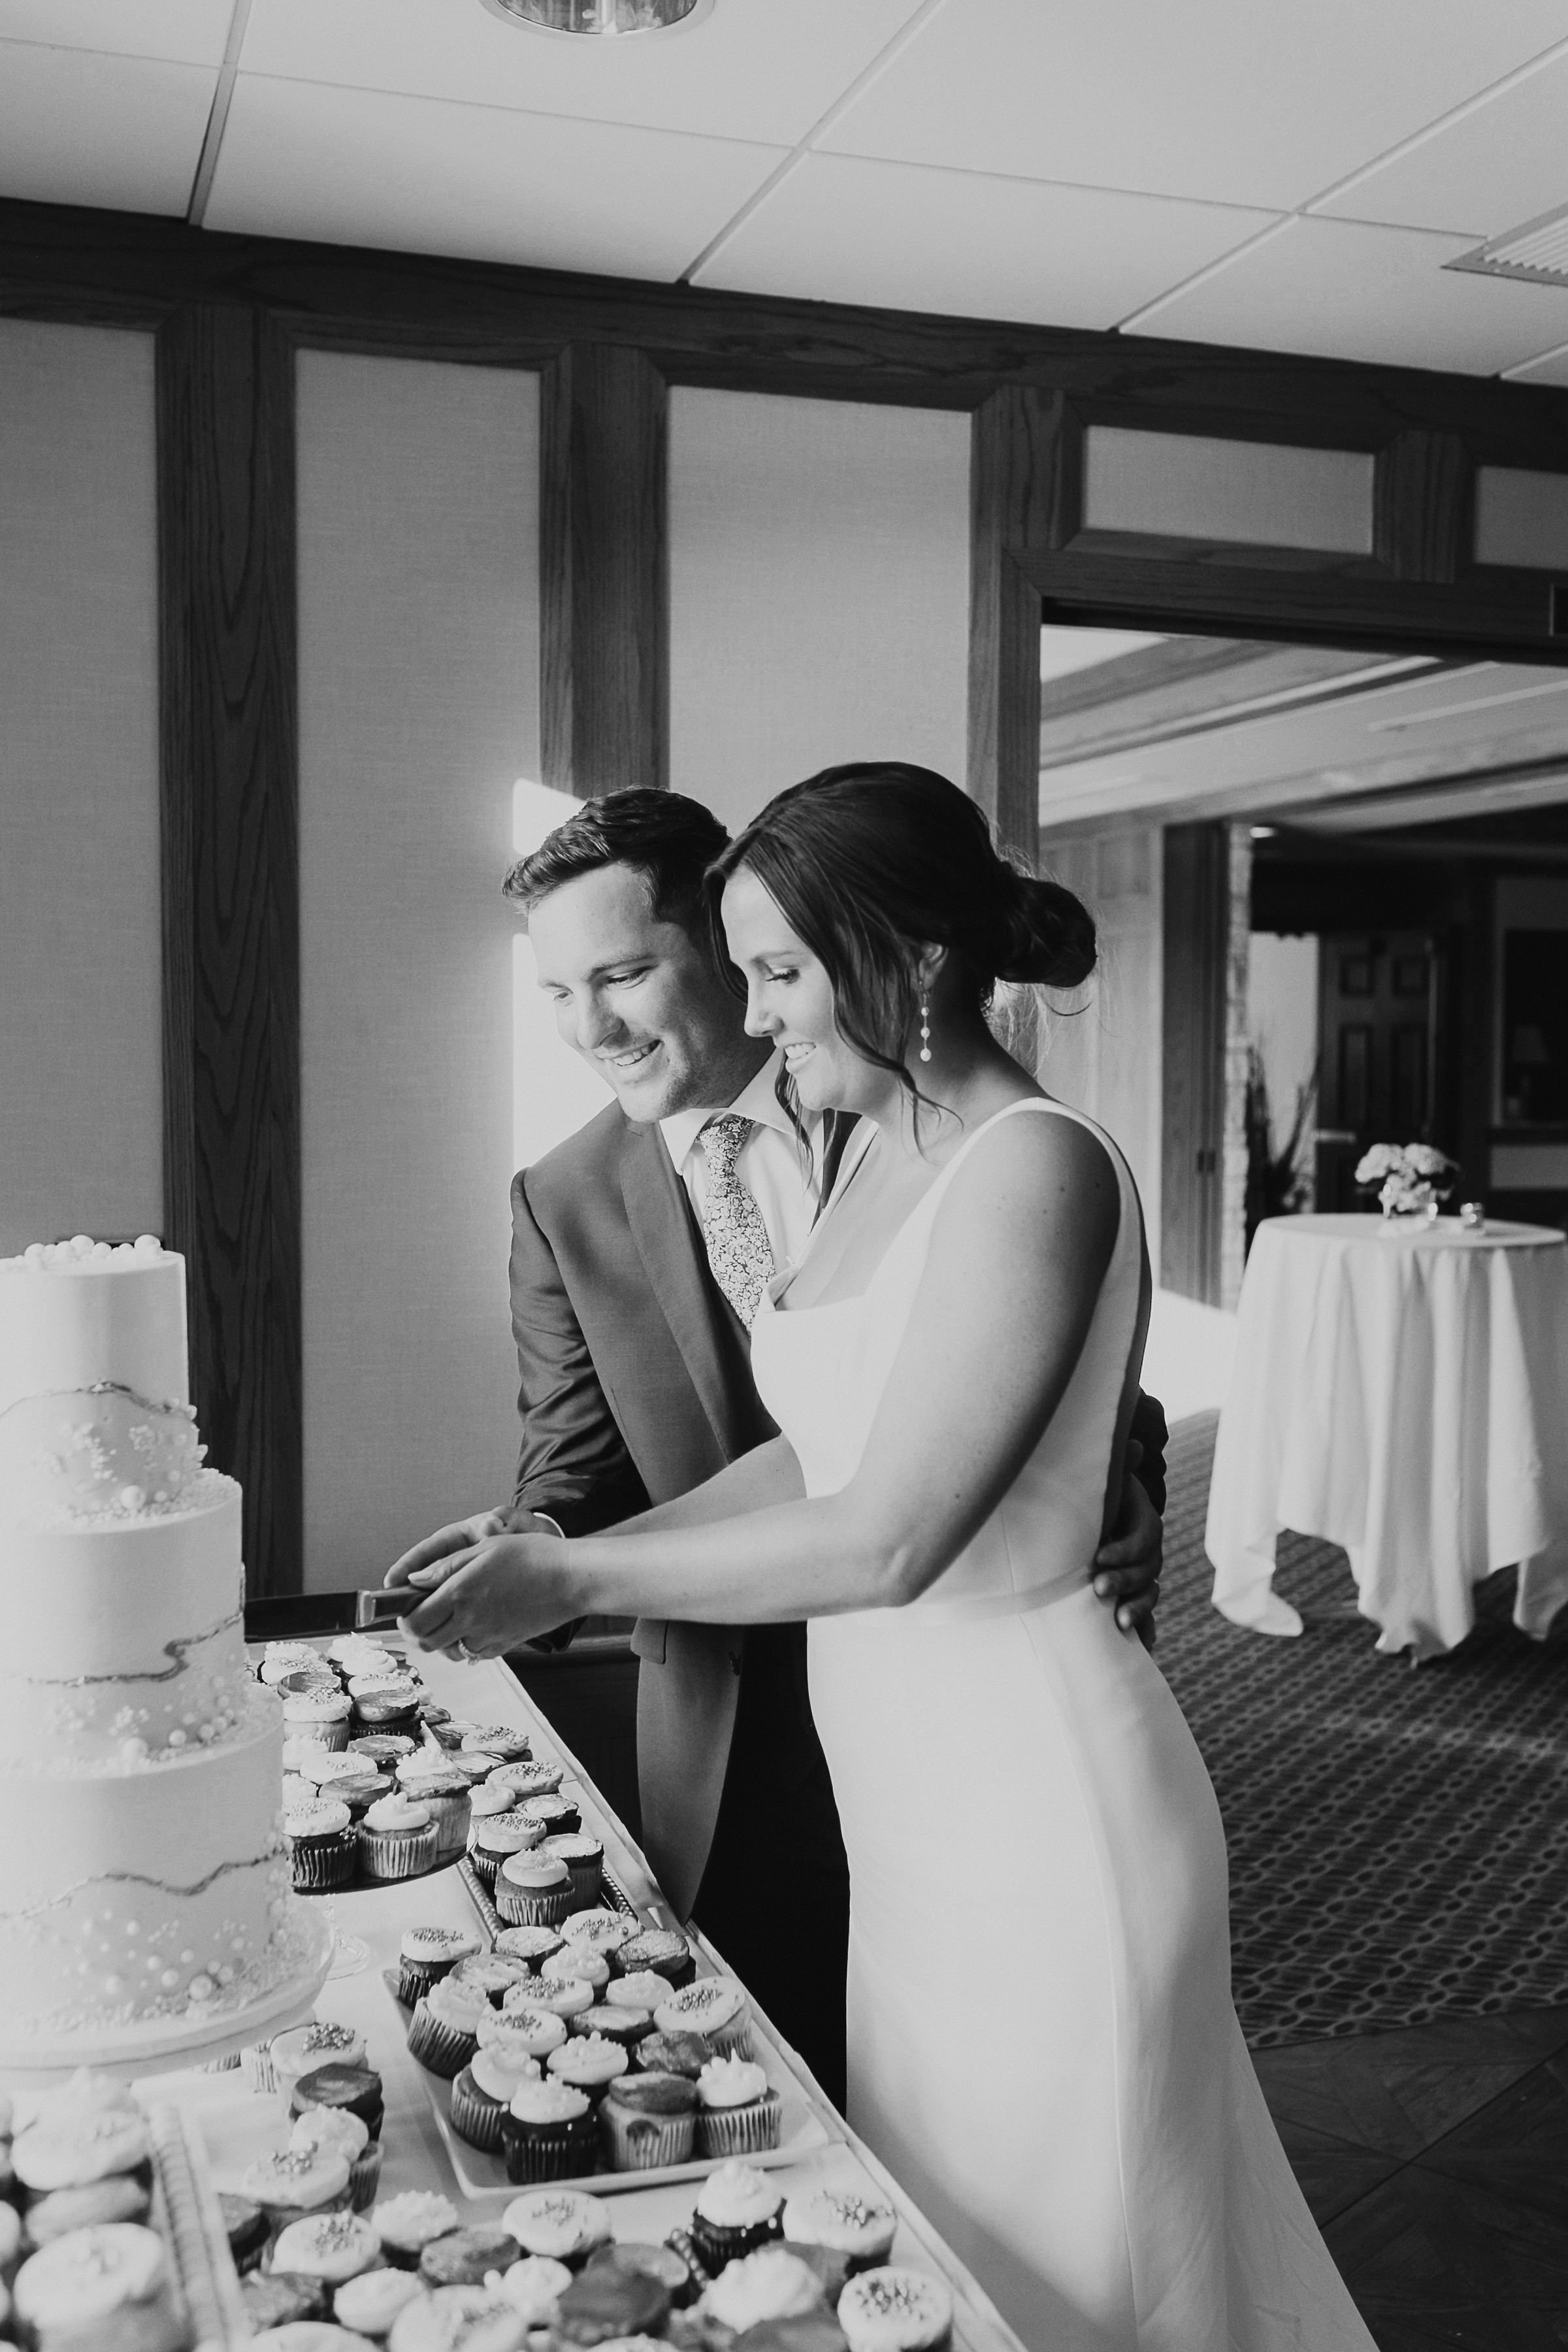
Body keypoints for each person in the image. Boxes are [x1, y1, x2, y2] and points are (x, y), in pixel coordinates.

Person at [390, 764, 1373, 2351]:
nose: (764, 1014)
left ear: (906, 961)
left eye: (777, 971)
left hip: (1035, 1805)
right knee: (946, 2268)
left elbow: (895, 1528)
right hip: (912, 1818)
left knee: (1089, 2270)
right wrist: (556, 1541)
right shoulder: (882, 1150)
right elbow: (816, 1451)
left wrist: (571, 1587)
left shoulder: (1026, 1159)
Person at [392, 789, 1166, 2111]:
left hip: (984, 1710)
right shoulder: (570, 1198)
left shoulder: (931, 1123)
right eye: (559, 993)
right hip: (754, 1731)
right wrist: (548, 1550)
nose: (593, 1027)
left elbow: (1006, 1413)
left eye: (626, 974)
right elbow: (686, 1457)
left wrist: (1114, 1474)